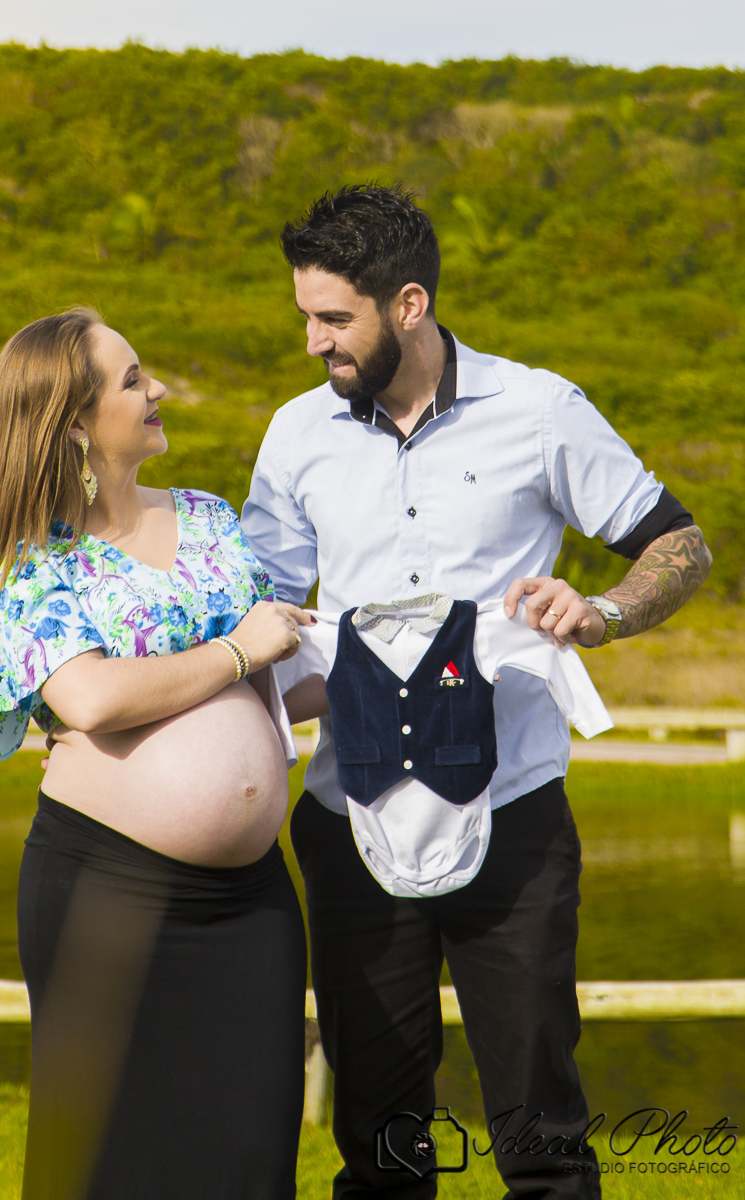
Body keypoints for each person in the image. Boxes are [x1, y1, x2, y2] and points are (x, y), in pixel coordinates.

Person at [241, 185, 712, 1199]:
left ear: (406, 305)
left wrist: (602, 611)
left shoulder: (539, 411)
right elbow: (264, 629)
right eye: (305, 318)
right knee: (377, 1145)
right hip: (346, 816)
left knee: (542, 1143)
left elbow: (678, 542)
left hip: (514, 820)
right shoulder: (293, 436)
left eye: (333, 320)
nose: (312, 343)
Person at [0, 308, 314, 1200]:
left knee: (251, 1157)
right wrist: (238, 651)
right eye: (133, 380)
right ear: (74, 421)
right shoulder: (35, 560)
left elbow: (284, 675)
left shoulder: (211, 518)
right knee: (110, 1163)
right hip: (105, 898)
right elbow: (91, 698)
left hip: (251, 901)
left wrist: (438, 645)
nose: (160, 392)